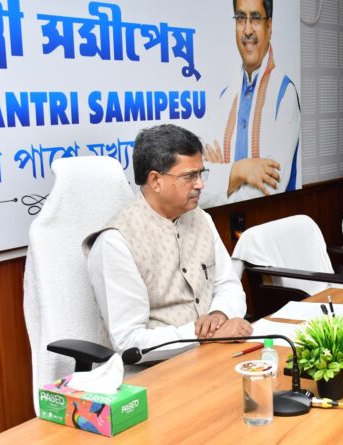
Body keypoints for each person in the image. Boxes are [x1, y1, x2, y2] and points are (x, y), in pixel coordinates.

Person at [84, 124, 252, 363]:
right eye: (189, 176)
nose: (200, 184)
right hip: (153, 370)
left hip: (212, 354)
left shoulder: (202, 219)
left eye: (201, 173)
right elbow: (129, 342)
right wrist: (203, 335)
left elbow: (228, 285)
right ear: (155, 180)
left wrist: (219, 314)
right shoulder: (116, 242)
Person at [201, 0, 300, 207]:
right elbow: (202, 184)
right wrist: (240, 171)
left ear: (269, 26)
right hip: (222, 224)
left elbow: (270, 189)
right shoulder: (223, 99)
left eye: (255, 18)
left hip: (273, 221)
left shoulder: (284, 95)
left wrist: (224, 177)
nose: (247, 30)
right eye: (240, 19)